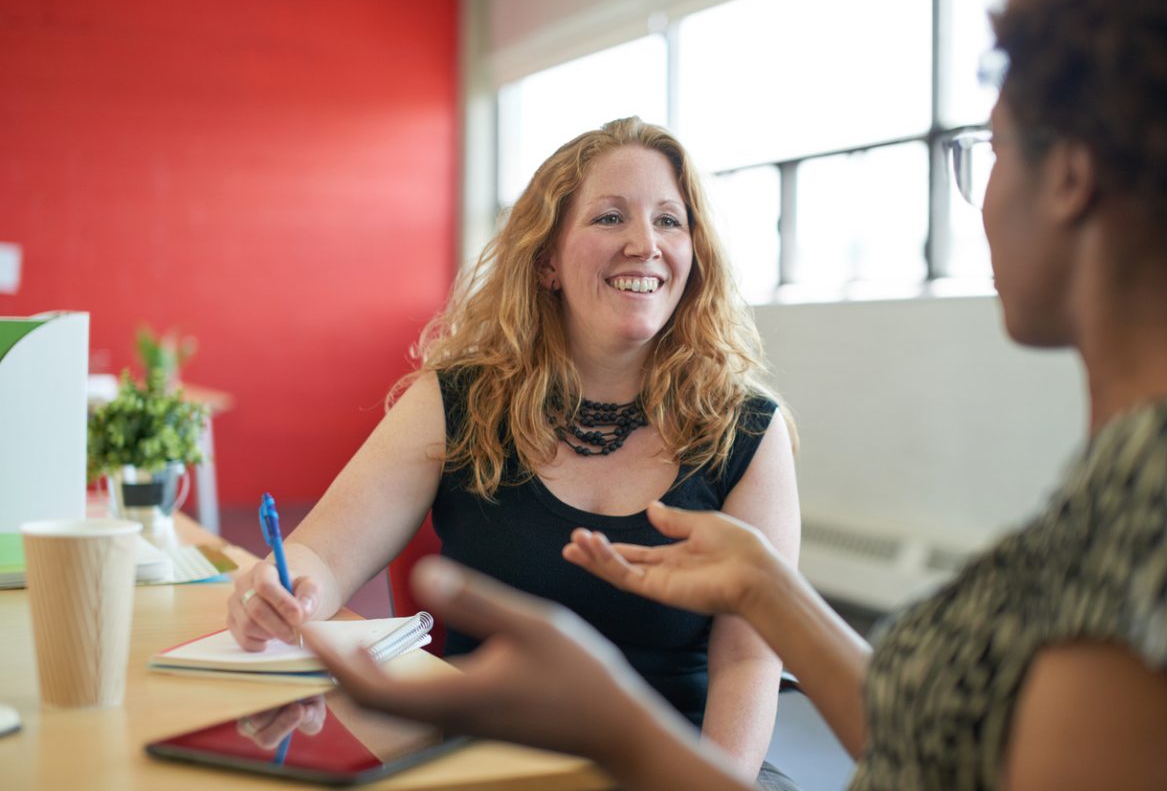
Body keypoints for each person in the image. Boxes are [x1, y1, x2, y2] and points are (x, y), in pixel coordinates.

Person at [306, 0, 1167, 789]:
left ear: (1071, 179)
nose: (980, 195)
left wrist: (610, 718)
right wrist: (771, 591)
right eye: (609, 217)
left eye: (991, 150)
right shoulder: (1130, 475)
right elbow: (934, 738)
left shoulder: (1162, 492)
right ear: (546, 259)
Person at [227, 117, 802, 788]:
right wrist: (279, 588)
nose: (645, 244)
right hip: (488, 767)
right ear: (548, 260)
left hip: (678, 770)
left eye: (670, 222)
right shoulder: (458, 400)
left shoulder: (746, 432)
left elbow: (747, 660)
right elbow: (323, 555)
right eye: (611, 217)